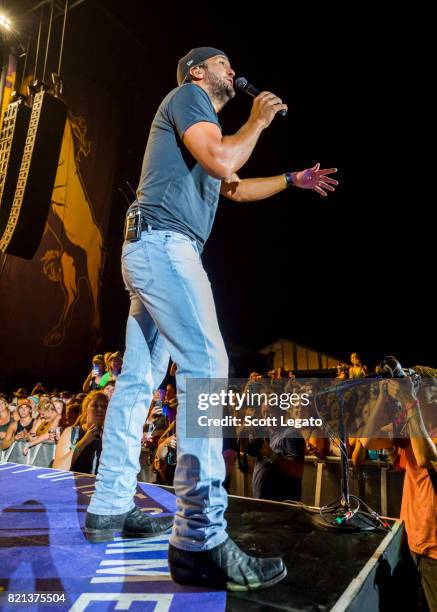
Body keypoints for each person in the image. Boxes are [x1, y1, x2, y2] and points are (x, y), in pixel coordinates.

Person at [85, 46, 337, 590]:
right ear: (198, 71)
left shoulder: (204, 133)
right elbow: (226, 162)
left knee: (138, 381)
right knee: (206, 362)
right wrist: (260, 119)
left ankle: (107, 507)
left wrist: (292, 179)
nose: (231, 68)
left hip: (150, 249)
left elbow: (235, 185)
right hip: (164, 246)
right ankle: (200, 538)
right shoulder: (188, 98)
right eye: (222, 61)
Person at [360, 371, 437, 611]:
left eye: (420, 387)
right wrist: (383, 397)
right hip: (412, 541)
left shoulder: (421, 426)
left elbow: (426, 457)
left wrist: (409, 403)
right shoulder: (410, 425)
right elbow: (368, 441)